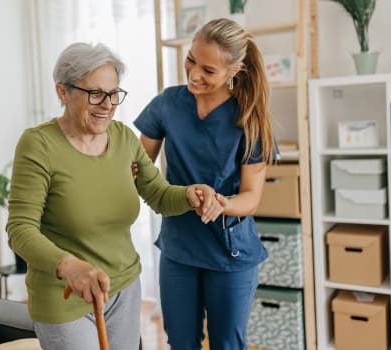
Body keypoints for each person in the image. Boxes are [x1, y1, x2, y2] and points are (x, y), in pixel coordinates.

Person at [6, 42, 223, 350]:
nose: (107, 104)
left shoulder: (122, 138)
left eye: (113, 93)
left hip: (123, 286)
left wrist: (190, 194)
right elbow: (20, 229)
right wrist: (70, 267)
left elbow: (159, 195)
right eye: (95, 93)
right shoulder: (38, 145)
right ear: (62, 92)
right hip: (65, 293)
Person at [134, 18, 277, 350]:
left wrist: (221, 203)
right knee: (181, 343)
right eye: (191, 60)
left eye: (208, 70)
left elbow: (251, 198)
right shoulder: (167, 104)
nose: (194, 74)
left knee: (227, 344)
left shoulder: (249, 117)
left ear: (234, 70)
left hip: (230, 252)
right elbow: (138, 167)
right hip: (179, 249)